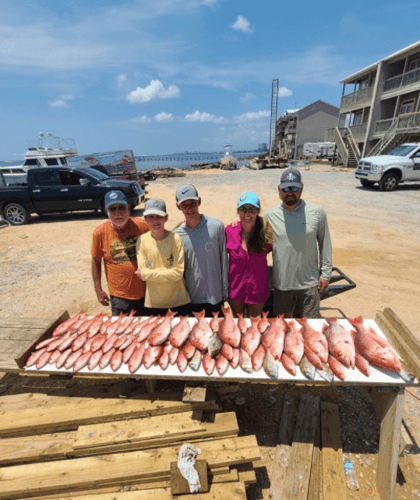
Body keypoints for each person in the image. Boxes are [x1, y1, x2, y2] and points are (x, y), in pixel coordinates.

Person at [264, 167, 332, 318]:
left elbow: (325, 243)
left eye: (294, 188)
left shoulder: (317, 212)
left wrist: (326, 274)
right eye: (286, 188)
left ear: (301, 188)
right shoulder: (269, 216)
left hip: (310, 284)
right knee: (283, 329)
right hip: (283, 285)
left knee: (310, 328)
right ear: (279, 190)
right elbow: (258, 243)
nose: (290, 192)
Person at [173, 184, 229, 316]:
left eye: (192, 203)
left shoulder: (217, 227)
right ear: (178, 207)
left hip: (215, 298)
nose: (189, 208)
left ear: (199, 201)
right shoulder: (176, 235)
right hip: (190, 301)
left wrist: (225, 292)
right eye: (184, 205)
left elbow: (224, 261)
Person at [91, 190, 150, 316]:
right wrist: (98, 289)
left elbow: (162, 236)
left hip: (147, 292)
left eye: (121, 207)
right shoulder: (99, 233)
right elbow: (96, 261)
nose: (118, 213)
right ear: (107, 211)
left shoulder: (142, 226)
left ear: (128, 208)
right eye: (113, 209)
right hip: (120, 296)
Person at [135, 198, 190, 316]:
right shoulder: (142, 240)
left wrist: (148, 273)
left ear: (166, 218)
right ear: (145, 220)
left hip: (178, 301)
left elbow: (178, 273)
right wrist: (167, 271)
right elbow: (142, 274)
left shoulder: (175, 239)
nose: (155, 221)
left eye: (159, 216)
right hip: (154, 303)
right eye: (151, 217)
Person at [225, 191, 273, 317]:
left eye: (252, 209)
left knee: (255, 325)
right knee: (238, 324)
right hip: (236, 290)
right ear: (238, 211)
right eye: (243, 209)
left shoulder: (266, 231)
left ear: (257, 211)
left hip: (258, 290)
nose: (247, 213)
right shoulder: (229, 231)